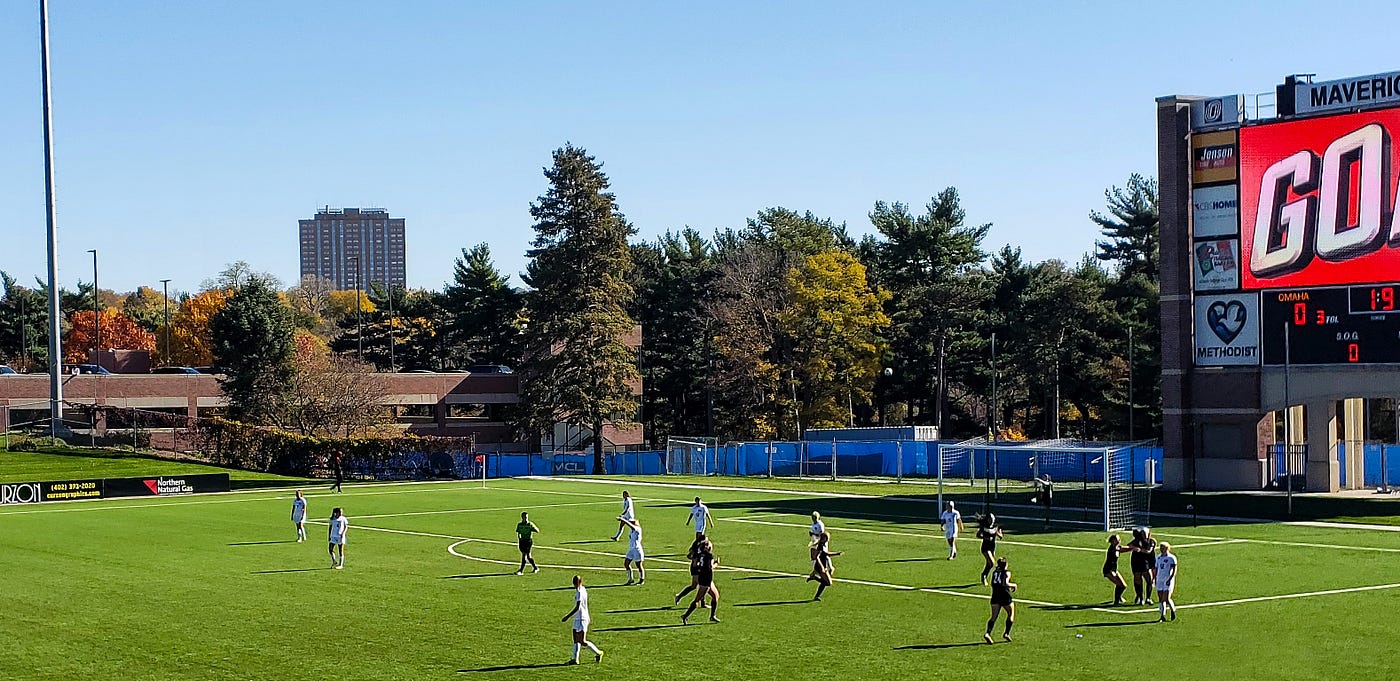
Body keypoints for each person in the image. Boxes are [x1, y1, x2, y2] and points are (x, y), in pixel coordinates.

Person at [560, 575, 603, 665]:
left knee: (582, 641)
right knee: (575, 639)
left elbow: (578, 607)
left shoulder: (580, 592)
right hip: (577, 618)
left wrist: (567, 617)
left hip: (582, 618)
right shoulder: (583, 589)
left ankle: (598, 652)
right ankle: (575, 659)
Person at [682, 540, 720, 624]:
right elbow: (710, 567)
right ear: (708, 547)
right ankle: (685, 616)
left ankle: (712, 616)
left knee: (715, 596)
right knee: (697, 600)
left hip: (704, 578)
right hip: (706, 580)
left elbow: (695, 564)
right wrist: (716, 564)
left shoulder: (700, 554)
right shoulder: (710, 556)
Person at [984, 557, 1016, 644]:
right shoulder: (1007, 572)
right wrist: (1013, 585)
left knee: (993, 617)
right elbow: (1006, 583)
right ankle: (1006, 633)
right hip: (1005, 595)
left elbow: (992, 583)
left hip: (995, 595)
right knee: (1011, 613)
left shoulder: (995, 572)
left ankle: (988, 633)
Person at [674, 535, 709, 606]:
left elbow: (689, 556)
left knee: (695, 586)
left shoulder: (698, 547)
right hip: (696, 569)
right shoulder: (698, 548)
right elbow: (691, 557)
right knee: (702, 585)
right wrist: (696, 561)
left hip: (696, 568)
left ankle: (679, 596)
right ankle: (702, 603)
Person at [807, 531, 842, 601]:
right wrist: (822, 567)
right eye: (827, 538)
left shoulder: (823, 544)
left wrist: (836, 555)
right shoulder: (820, 546)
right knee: (828, 583)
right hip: (820, 566)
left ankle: (817, 596)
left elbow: (826, 554)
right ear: (823, 538)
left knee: (824, 582)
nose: (828, 539)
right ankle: (814, 578)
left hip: (823, 565)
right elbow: (818, 557)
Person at [1127, 527, 1158, 605]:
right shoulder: (1137, 540)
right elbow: (1129, 545)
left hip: (1145, 562)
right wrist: (1134, 547)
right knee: (1137, 579)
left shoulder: (1151, 541)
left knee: (1149, 579)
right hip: (1136, 561)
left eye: (1145, 533)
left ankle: (1148, 598)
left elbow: (1148, 551)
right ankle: (1140, 597)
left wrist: (1139, 550)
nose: (1144, 535)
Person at [975, 514, 1003, 585]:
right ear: (988, 520)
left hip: (992, 547)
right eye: (990, 519)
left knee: (990, 564)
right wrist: (985, 538)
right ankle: (984, 576)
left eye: (993, 519)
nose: (992, 521)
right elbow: (978, 535)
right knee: (992, 562)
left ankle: (984, 576)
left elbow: (1001, 536)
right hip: (985, 547)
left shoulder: (996, 527)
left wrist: (998, 533)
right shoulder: (984, 527)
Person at [1155, 543, 1178, 622]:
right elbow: (1156, 569)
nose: (1161, 549)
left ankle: (1173, 610)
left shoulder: (1171, 558)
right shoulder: (1158, 557)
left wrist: (1170, 579)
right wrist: (1154, 579)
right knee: (1161, 598)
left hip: (1167, 580)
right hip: (1159, 580)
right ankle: (1162, 615)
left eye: (1163, 548)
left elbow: (1174, 570)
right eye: (1160, 548)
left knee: (1166, 598)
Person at [618, 516, 646, 585]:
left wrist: (623, 520)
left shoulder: (638, 529)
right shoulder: (631, 530)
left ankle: (641, 579)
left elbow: (631, 526)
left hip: (637, 549)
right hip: (631, 549)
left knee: (639, 565)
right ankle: (630, 579)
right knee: (626, 563)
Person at [1103, 534, 1129, 605]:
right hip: (1108, 570)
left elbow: (1123, 549)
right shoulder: (1112, 549)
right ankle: (1116, 601)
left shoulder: (1117, 547)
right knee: (1120, 585)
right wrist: (1131, 548)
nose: (1119, 541)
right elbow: (1119, 549)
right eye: (1117, 540)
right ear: (1113, 541)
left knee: (1123, 586)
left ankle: (1118, 597)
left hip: (1114, 569)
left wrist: (1132, 548)